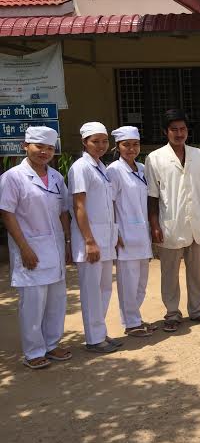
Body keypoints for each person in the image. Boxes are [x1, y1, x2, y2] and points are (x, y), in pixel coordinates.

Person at [0, 127, 72, 368]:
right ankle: (33, 352)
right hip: (30, 248)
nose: (44, 152)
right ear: (25, 146)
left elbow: (63, 211)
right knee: (33, 303)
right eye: (39, 146)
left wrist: (67, 242)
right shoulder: (13, 177)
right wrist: (24, 248)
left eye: (49, 148)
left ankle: (52, 344)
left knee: (56, 300)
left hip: (55, 248)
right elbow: (7, 213)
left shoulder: (56, 177)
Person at [144, 109, 200, 332]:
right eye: (174, 129)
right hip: (170, 224)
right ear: (165, 132)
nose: (179, 133)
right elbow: (152, 196)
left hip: (196, 221)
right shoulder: (155, 158)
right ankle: (172, 313)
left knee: (196, 271)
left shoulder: (199, 155)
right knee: (169, 273)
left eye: (183, 129)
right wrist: (154, 225)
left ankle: (197, 310)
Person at [68, 122, 121, 353]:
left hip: (105, 238)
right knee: (92, 291)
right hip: (90, 240)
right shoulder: (81, 167)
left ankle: (100, 332)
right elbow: (79, 206)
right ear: (84, 142)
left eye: (104, 141)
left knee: (104, 289)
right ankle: (93, 339)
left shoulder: (100, 166)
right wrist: (89, 241)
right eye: (95, 141)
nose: (101, 145)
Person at [107, 126, 155, 337]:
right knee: (128, 282)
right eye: (126, 145)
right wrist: (114, 232)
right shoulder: (114, 171)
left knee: (141, 282)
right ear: (118, 147)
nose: (131, 149)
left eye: (135, 144)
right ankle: (131, 323)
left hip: (142, 234)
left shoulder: (142, 169)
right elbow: (109, 203)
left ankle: (135, 317)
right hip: (125, 234)